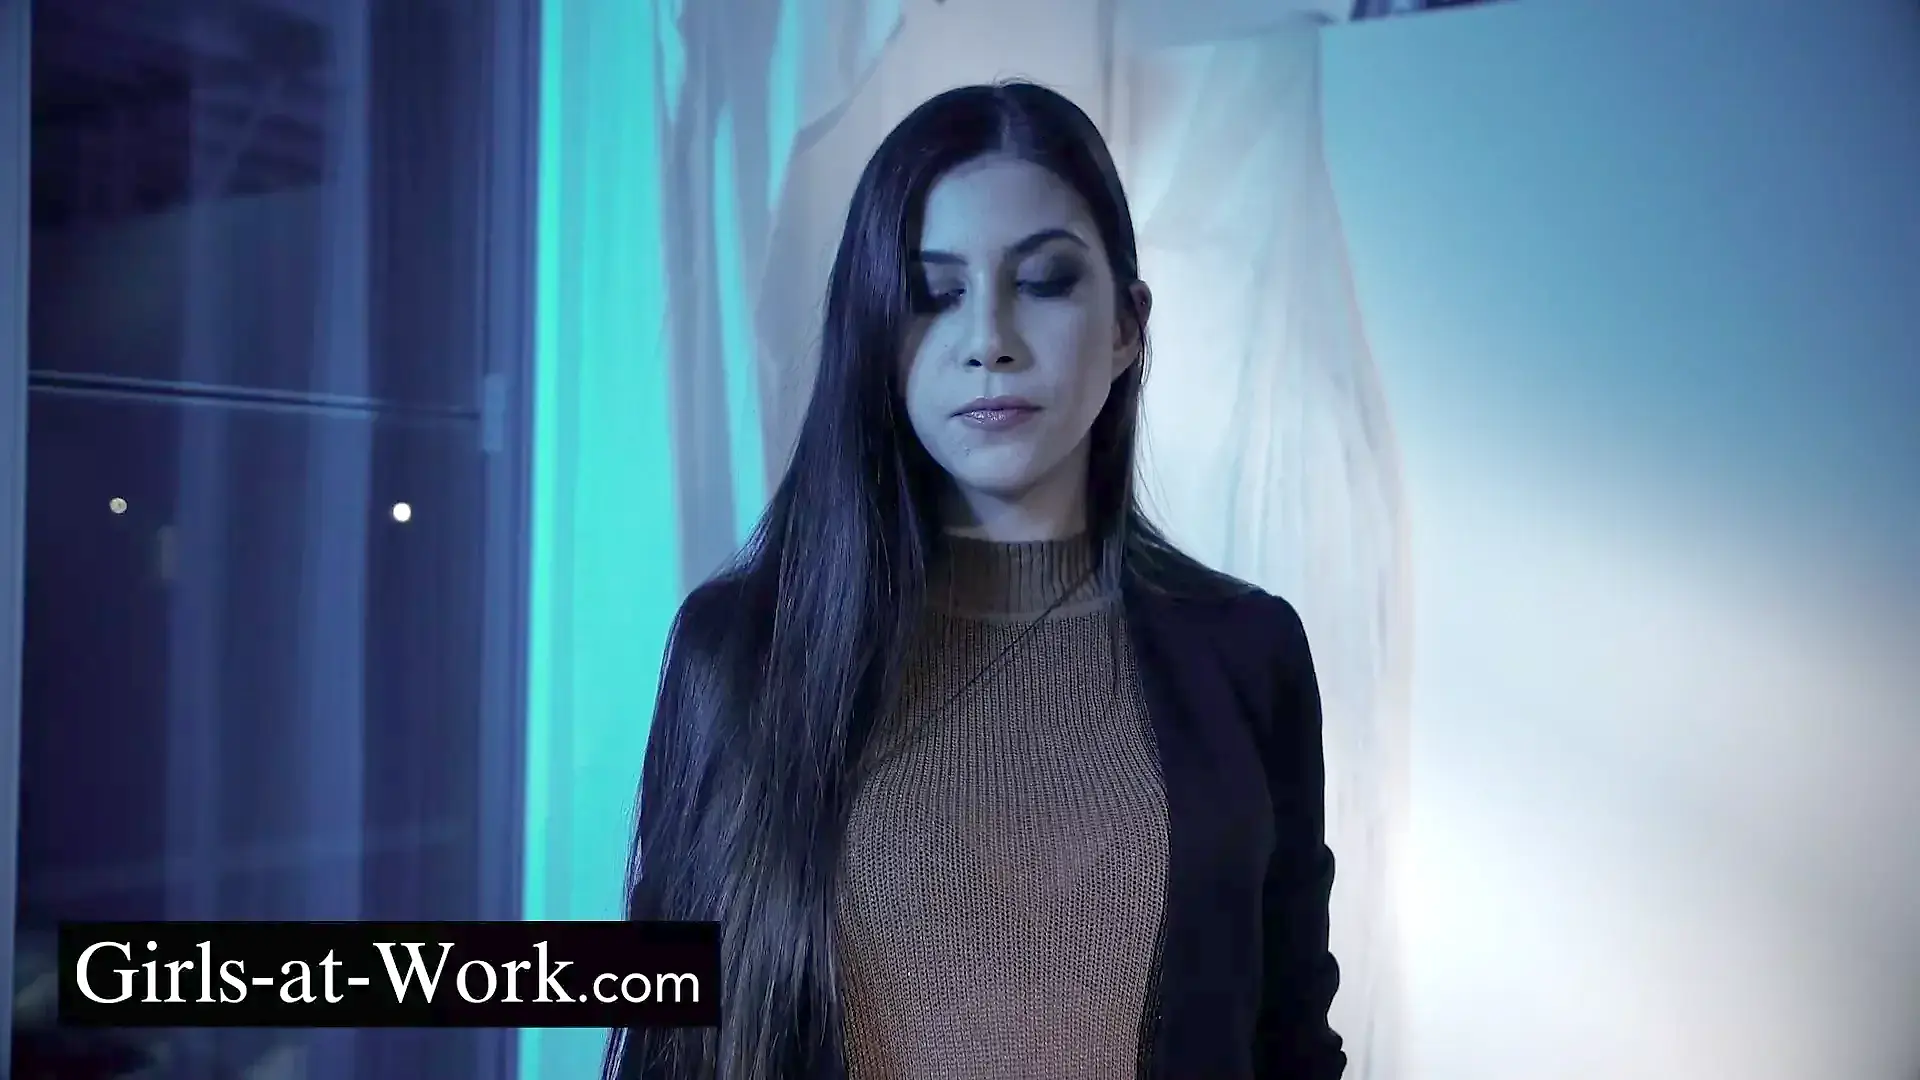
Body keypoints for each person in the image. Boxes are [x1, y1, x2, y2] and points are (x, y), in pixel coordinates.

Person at [608, 81, 1345, 1080]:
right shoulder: (740, 653)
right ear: (876, 331)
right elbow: (670, 1044)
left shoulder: (1247, 654)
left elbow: (1293, 1041)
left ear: (1127, 326)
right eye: (934, 293)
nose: (989, 340)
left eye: (1043, 281)